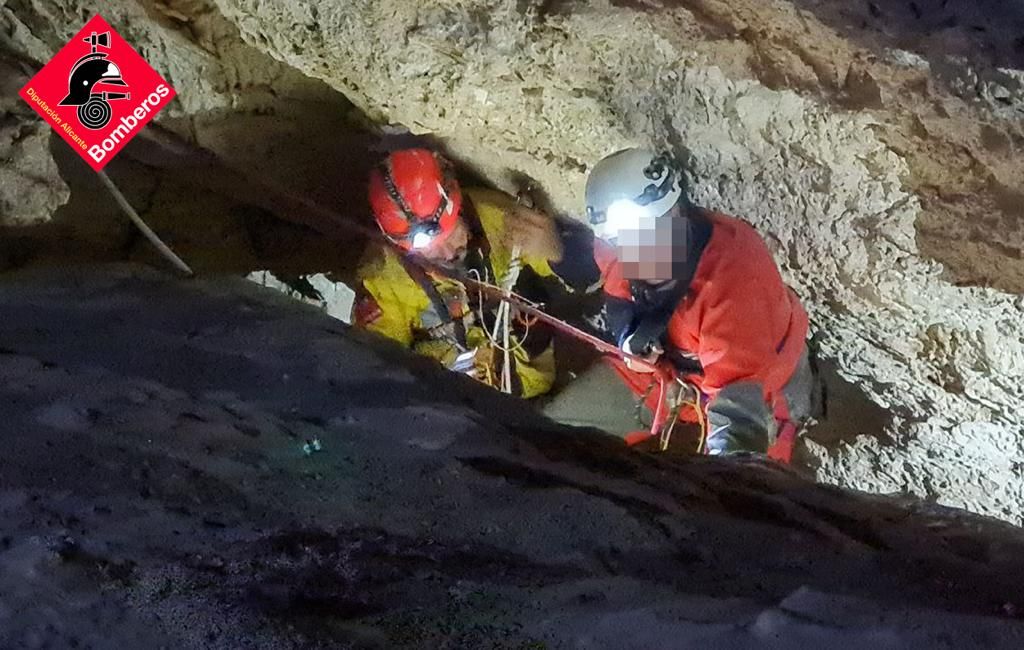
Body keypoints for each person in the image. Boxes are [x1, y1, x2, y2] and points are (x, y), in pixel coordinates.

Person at [542, 148, 820, 457]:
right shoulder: (615, 247)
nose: (642, 249)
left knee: (761, 488)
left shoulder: (734, 281)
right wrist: (630, 341)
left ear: (679, 211)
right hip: (670, 377)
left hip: (760, 390)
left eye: (654, 230)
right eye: (626, 240)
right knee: (550, 441)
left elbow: (738, 417)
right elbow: (618, 296)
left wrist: (734, 477)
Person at [353, 148, 600, 399]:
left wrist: (558, 253)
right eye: (429, 250)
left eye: (451, 235)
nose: (448, 254)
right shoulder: (383, 278)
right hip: (445, 403)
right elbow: (376, 368)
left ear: (459, 207)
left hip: (528, 390)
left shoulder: (503, 222)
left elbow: (589, 281)